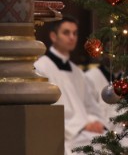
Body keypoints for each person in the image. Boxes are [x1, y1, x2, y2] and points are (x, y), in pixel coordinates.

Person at [34, 15, 108, 153]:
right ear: (53, 36)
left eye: (75, 33)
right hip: (63, 134)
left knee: (111, 142)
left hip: (84, 131)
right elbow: (44, 110)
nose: (72, 37)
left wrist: (96, 122)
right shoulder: (40, 67)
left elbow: (91, 106)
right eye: (66, 32)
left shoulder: (77, 72)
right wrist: (82, 126)